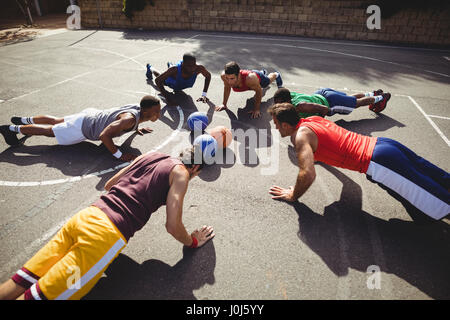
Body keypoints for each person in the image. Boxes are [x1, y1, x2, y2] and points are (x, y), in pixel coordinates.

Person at [0, 146, 215, 300]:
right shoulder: (181, 173)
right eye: (195, 175)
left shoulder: (151, 155)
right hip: (104, 236)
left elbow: (110, 184)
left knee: (21, 281)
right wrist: (192, 241)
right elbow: (173, 225)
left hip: (85, 218)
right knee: (39, 297)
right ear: (195, 167)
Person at [267, 103, 449, 221]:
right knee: (439, 180)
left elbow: (307, 173)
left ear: (285, 124)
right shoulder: (312, 120)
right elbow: (325, 123)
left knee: (439, 203)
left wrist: (293, 195)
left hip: (379, 161)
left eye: (276, 123)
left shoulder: (300, 137)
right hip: (384, 144)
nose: (275, 127)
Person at [0, 95, 161, 162]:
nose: (159, 114)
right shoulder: (129, 119)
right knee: (49, 131)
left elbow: (126, 120)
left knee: (56, 121)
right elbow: (105, 136)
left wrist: (135, 129)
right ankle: (12, 129)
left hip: (89, 116)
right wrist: (119, 155)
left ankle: (22, 119)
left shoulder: (137, 111)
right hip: (83, 127)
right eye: (156, 111)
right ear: (146, 111)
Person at [215, 61, 283, 119]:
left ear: (238, 75)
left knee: (265, 84)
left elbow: (259, 91)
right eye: (227, 78)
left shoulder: (250, 79)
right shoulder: (224, 76)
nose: (229, 82)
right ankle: (262, 72)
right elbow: (227, 87)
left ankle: (275, 74)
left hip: (256, 78)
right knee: (252, 98)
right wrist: (224, 104)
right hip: (251, 82)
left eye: (232, 79)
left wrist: (257, 109)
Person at [273, 87, 391, 118]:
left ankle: (381, 97)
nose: (278, 106)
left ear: (287, 101)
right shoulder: (289, 94)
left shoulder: (299, 106)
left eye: (279, 104)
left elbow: (324, 109)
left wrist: (319, 125)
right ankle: (372, 94)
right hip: (322, 92)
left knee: (356, 103)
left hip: (330, 102)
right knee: (350, 99)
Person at [146, 53, 211, 106]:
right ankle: (150, 67)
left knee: (171, 71)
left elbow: (208, 76)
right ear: (183, 64)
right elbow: (157, 80)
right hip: (172, 83)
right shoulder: (175, 69)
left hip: (180, 84)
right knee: (161, 78)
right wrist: (167, 98)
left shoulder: (199, 68)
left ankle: (170, 65)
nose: (192, 68)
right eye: (189, 66)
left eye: (193, 65)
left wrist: (204, 95)